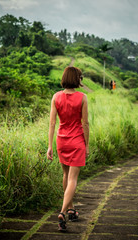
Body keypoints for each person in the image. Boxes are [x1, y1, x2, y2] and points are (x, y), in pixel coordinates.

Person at [46, 66, 90, 232]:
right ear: (77, 79)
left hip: (61, 141)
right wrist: (86, 144)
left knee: (65, 175)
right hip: (77, 141)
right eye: (80, 77)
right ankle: (63, 212)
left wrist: (50, 146)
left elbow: (52, 123)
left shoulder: (56, 96)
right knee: (72, 179)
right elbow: (85, 123)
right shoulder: (82, 97)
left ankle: (71, 209)